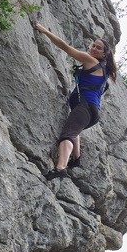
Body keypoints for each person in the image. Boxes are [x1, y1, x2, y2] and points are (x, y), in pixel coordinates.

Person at [34, 23, 117, 180]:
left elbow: (64, 47)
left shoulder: (89, 60)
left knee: (67, 135)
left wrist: (45, 30)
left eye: (98, 48)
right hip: (92, 113)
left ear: (104, 54)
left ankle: (60, 167)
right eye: (93, 45)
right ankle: (76, 157)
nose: (93, 49)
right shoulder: (104, 70)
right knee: (74, 129)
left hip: (84, 107)